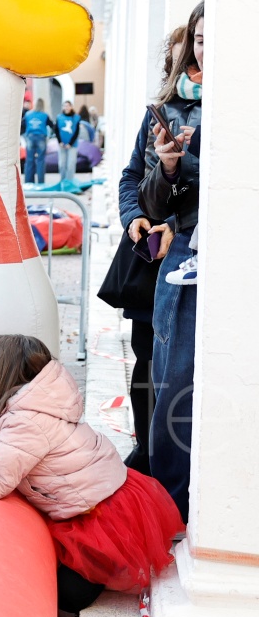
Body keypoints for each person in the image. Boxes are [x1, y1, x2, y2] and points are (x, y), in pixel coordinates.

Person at [0, 335, 184, 613]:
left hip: (100, 515)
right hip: (107, 498)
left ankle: (108, 564)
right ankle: (106, 563)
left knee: (69, 596)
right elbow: (17, 461)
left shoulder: (26, 421)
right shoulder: (40, 404)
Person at [137, 1, 204, 521]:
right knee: (173, 382)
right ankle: (167, 508)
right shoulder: (168, 108)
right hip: (186, 252)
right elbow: (153, 202)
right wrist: (168, 168)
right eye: (200, 40)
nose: (206, 50)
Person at [112, 24, 183, 476]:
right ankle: (144, 447)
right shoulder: (156, 113)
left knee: (172, 364)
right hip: (147, 255)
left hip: (184, 252)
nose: (184, 67)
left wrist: (174, 225)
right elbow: (130, 176)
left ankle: (163, 452)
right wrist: (132, 216)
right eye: (176, 60)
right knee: (145, 355)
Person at [21, 97, 55, 185]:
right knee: (41, 161)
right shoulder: (45, 115)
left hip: (30, 138)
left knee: (29, 160)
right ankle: (40, 182)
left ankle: (28, 182)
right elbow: (52, 126)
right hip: (41, 138)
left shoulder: (28, 114)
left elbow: (22, 125)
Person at [56, 100, 81, 183]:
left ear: (71, 107)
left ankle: (69, 181)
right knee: (62, 164)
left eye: (68, 106)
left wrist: (70, 143)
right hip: (62, 145)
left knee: (71, 164)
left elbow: (76, 132)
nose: (66, 107)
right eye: (65, 106)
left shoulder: (76, 118)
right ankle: (63, 181)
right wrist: (60, 142)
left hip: (72, 145)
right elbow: (56, 130)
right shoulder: (59, 117)